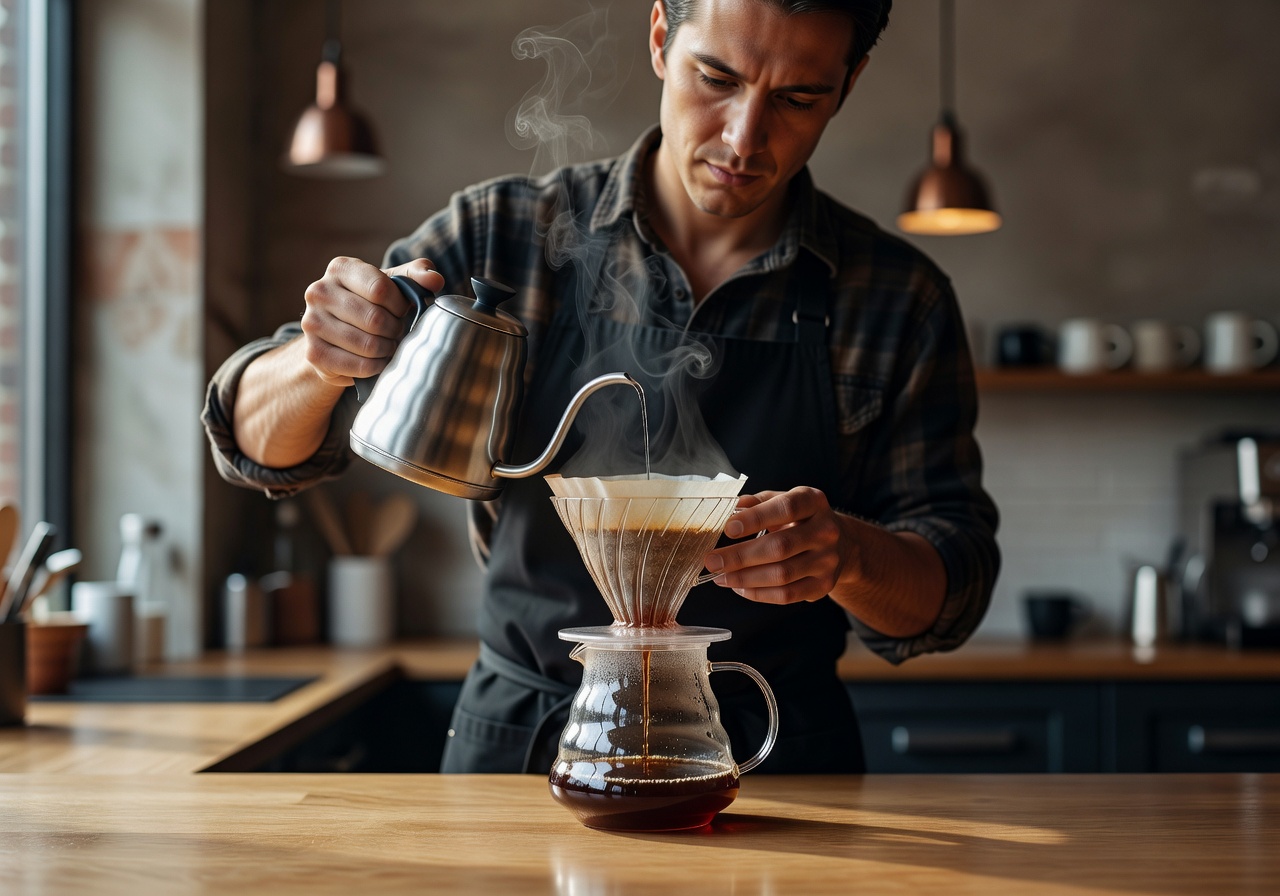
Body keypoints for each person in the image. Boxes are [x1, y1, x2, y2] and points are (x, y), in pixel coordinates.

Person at [203, 0, 999, 774]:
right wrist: (319, 363)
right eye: (715, 77)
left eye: (797, 98)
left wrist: (850, 554)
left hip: (773, 765)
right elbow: (253, 444)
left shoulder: (896, 299)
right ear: (661, 36)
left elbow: (950, 594)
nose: (743, 137)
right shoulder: (500, 239)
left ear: (849, 82)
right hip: (522, 755)